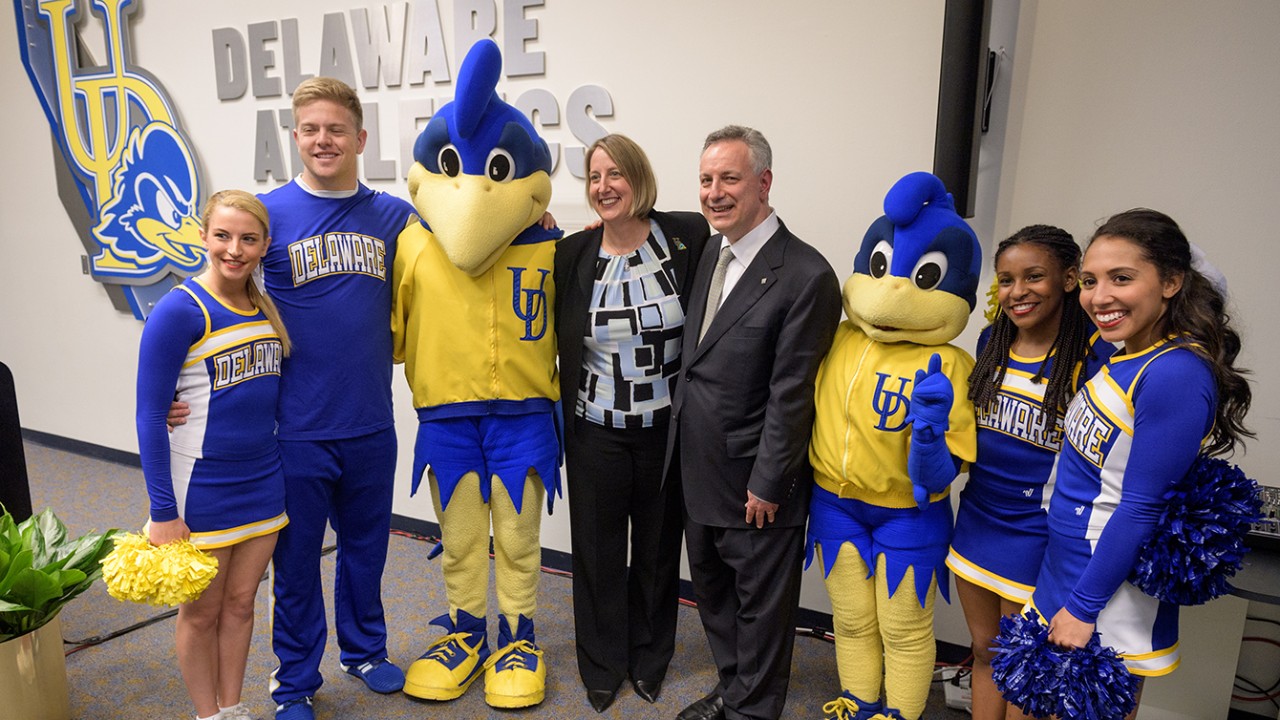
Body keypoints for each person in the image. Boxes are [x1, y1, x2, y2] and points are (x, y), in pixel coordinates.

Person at [1029, 209, 1252, 718]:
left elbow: (1141, 507)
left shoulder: (1174, 372)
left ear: (1172, 282)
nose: (1099, 296)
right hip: (1067, 570)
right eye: (1089, 281)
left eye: (1121, 278)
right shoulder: (1127, 353)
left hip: (1104, 590)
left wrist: (1083, 608)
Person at [668, 125, 842, 720]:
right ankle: (733, 689)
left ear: (764, 183)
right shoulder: (710, 254)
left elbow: (792, 392)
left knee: (761, 610)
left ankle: (752, 710)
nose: (715, 192)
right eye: (706, 180)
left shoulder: (806, 274)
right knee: (714, 597)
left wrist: (769, 480)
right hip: (697, 467)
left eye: (730, 179)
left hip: (755, 481)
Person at [259, 77, 415, 720]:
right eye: (311, 129)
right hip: (296, 427)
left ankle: (365, 650)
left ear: (360, 138)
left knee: (366, 551)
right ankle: (294, 679)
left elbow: (466, 242)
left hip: (371, 423)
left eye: (336, 129)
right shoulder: (266, 217)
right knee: (295, 562)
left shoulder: (395, 216)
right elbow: (214, 304)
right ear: (296, 137)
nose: (324, 140)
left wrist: (535, 217)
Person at [554, 133, 709, 713]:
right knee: (596, 553)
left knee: (656, 550)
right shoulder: (573, 256)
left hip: (666, 433)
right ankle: (600, 664)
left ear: (637, 178)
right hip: (596, 429)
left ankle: (649, 660)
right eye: (594, 177)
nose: (604, 187)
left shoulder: (685, 237)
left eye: (614, 174)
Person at [946, 225, 1112, 720]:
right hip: (977, 519)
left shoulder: (1094, 355)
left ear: (1068, 278)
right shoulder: (989, 341)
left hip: (1041, 533)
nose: (1018, 291)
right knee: (984, 650)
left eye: (1034, 276)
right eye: (1006, 279)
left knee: (1028, 668)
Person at [136, 190, 291, 720]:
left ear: (265, 245)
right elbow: (148, 415)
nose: (234, 249)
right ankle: (207, 715)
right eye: (222, 235)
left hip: (265, 479)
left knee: (242, 604)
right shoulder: (180, 309)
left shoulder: (265, 304)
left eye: (248, 238)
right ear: (203, 236)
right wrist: (162, 512)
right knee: (200, 613)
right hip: (201, 485)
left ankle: (234, 708)